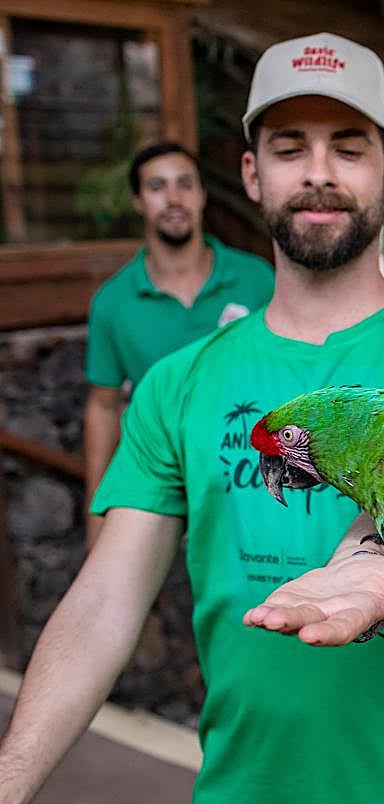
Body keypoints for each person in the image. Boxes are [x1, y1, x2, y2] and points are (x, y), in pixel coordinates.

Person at [0, 34, 384, 804]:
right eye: (288, 147)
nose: (318, 171)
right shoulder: (178, 383)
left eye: (348, 147)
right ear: (252, 174)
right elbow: (104, 601)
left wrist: (370, 557)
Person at [83, 141, 274, 547]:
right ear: (138, 201)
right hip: (159, 493)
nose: (173, 198)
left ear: (203, 195)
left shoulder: (258, 279)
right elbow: (103, 406)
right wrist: (96, 515)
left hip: (250, 484)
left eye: (185, 184)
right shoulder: (113, 302)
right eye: (157, 186)